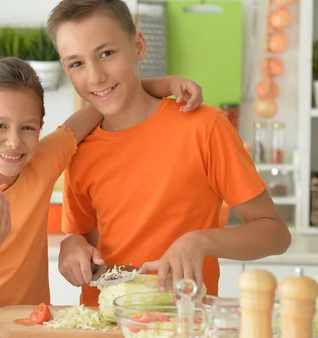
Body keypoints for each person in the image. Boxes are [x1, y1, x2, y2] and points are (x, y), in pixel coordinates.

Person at [46, 0, 292, 307]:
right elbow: (84, 239)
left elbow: (276, 234)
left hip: (186, 327)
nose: (95, 77)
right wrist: (72, 245)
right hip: (104, 328)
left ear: (138, 46)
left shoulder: (203, 126)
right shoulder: (79, 149)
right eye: (76, 64)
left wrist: (200, 241)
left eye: (106, 53)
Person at [0, 56, 204, 314]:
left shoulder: (40, 165)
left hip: (32, 326)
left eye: (27, 128)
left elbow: (102, 105)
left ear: (40, 127)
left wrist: (165, 84)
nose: (14, 142)